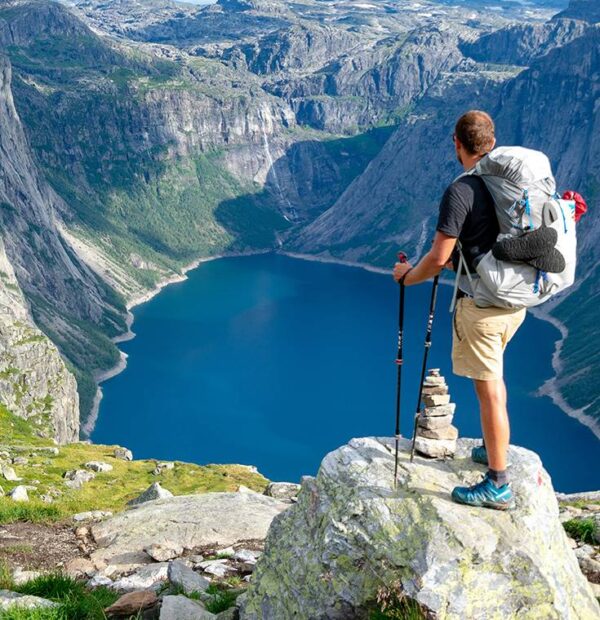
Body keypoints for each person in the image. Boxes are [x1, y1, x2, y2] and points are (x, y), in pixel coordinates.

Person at [393, 110, 526, 510]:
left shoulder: (462, 191)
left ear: (457, 143)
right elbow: (484, 246)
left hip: (483, 308)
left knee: (488, 392)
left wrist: (406, 277)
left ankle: (498, 484)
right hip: (515, 301)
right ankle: (492, 447)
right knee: (495, 381)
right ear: (491, 140)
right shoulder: (510, 181)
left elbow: (438, 257)